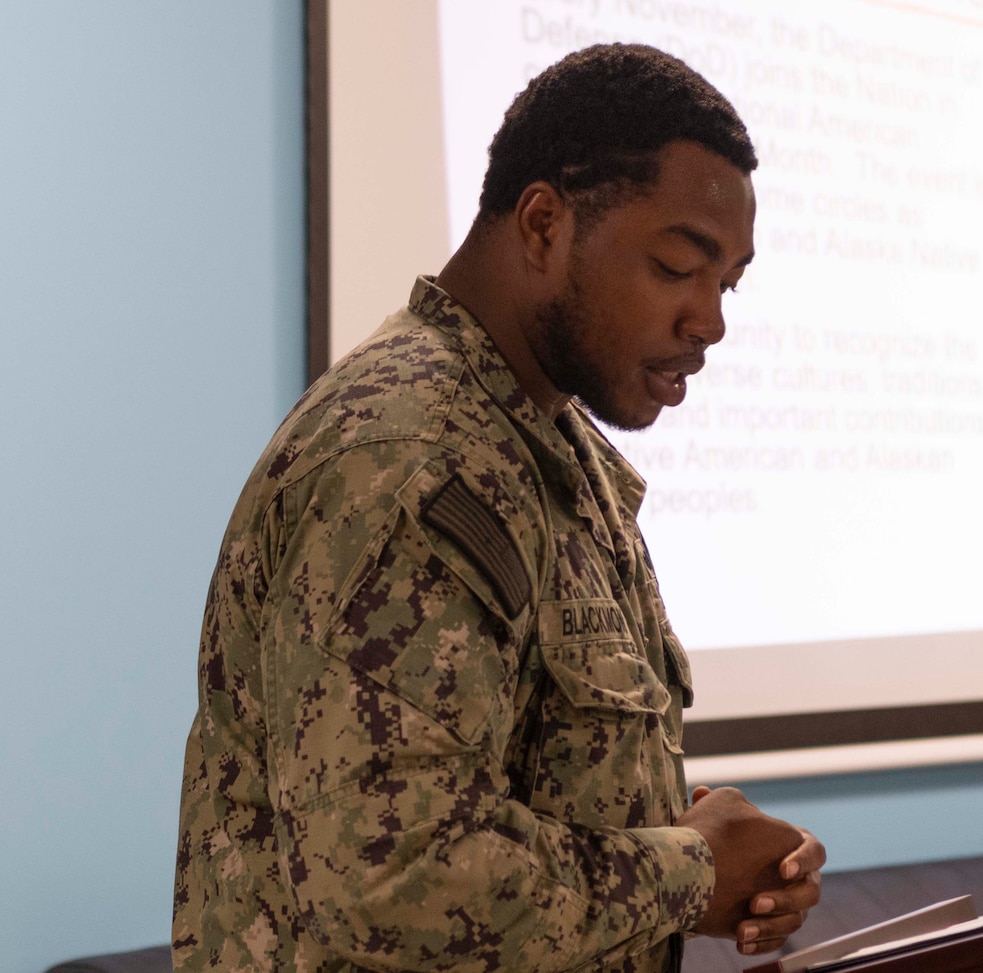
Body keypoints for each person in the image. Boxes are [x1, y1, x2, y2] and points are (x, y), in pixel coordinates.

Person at [172, 44, 825, 972]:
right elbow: (390, 880)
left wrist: (718, 856)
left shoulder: (552, 447)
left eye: (728, 283)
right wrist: (688, 873)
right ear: (544, 222)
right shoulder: (407, 456)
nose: (710, 321)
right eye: (680, 265)